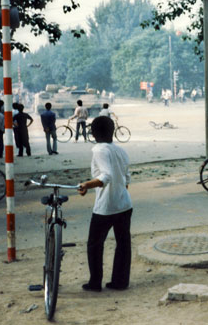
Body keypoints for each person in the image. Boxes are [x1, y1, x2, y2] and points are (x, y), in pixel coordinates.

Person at [78, 116, 133, 292]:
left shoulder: (99, 150)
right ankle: (120, 281)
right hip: (124, 204)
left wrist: (87, 184)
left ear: (93, 133)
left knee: (94, 244)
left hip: (106, 207)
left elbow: (106, 175)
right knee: (123, 244)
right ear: (112, 132)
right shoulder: (120, 151)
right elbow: (126, 178)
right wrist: (119, 191)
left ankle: (95, 282)